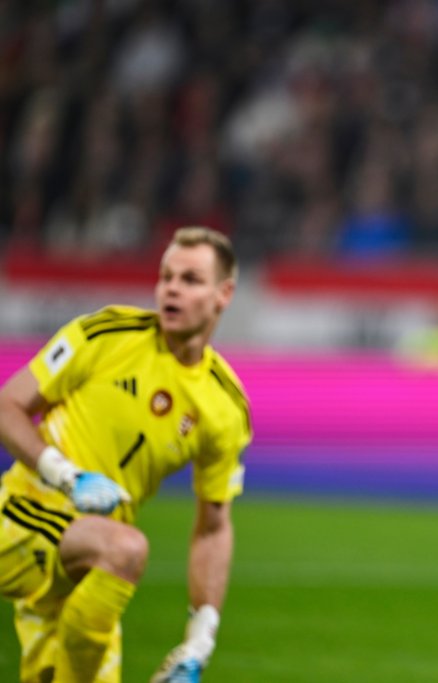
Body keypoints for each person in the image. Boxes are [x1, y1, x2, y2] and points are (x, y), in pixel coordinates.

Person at [0, 226, 251, 683]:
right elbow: (7, 406)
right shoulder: (107, 335)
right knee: (127, 548)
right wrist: (65, 475)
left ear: (224, 294)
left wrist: (199, 643)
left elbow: (214, 526)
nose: (172, 289)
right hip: (21, 515)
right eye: (166, 276)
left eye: (190, 280)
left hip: (92, 568)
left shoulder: (224, 406)